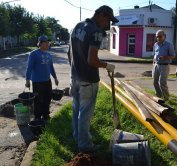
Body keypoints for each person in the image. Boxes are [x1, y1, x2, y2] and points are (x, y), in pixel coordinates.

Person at [67, 5, 118, 152]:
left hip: (75, 78)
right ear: (102, 15)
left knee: (76, 110)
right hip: (88, 80)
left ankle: (77, 138)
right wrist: (107, 65)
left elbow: (69, 54)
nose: (108, 24)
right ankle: (85, 146)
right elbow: (92, 60)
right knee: (85, 114)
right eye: (108, 20)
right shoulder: (96, 31)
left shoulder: (77, 26)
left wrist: (75, 72)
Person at [25, 35, 59, 121]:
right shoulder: (33, 54)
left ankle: (46, 115)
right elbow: (29, 68)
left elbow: (51, 67)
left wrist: (55, 78)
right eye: (46, 42)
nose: (48, 44)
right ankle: (37, 117)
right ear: (40, 43)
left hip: (47, 81)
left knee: (47, 98)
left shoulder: (48, 55)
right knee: (38, 100)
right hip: (37, 82)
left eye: (48, 42)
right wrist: (27, 80)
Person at [152, 30, 175, 101]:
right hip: (156, 65)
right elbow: (154, 55)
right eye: (157, 37)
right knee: (155, 82)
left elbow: (173, 56)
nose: (158, 38)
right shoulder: (155, 44)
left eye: (160, 36)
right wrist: (153, 63)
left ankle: (166, 98)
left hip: (164, 65)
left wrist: (164, 57)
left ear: (164, 36)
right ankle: (159, 96)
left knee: (162, 82)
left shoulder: (169, 45)